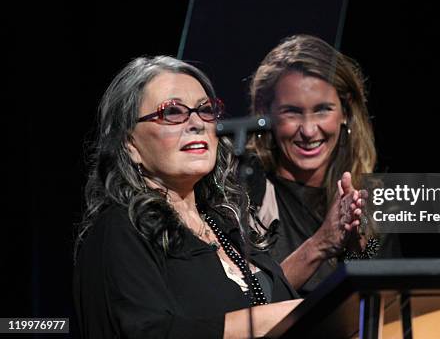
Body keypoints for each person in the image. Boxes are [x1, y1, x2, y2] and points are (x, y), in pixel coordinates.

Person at [73, 56, 363, 338]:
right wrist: (275, 318)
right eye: (172, 112)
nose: (196, 123)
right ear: (130, 143)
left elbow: (273, 303)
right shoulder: (120, 229)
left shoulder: (225, 225)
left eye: (205, 110)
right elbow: (151, 331)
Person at [248, 35, 398, 295]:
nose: (308, 130)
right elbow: (249, 301)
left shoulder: (373, 200)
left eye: (322, 110)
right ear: (265, 112)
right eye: (292, 111)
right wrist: (321, 244)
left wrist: (356, 251)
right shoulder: (246, 187)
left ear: (346, 111)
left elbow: (386, 301)